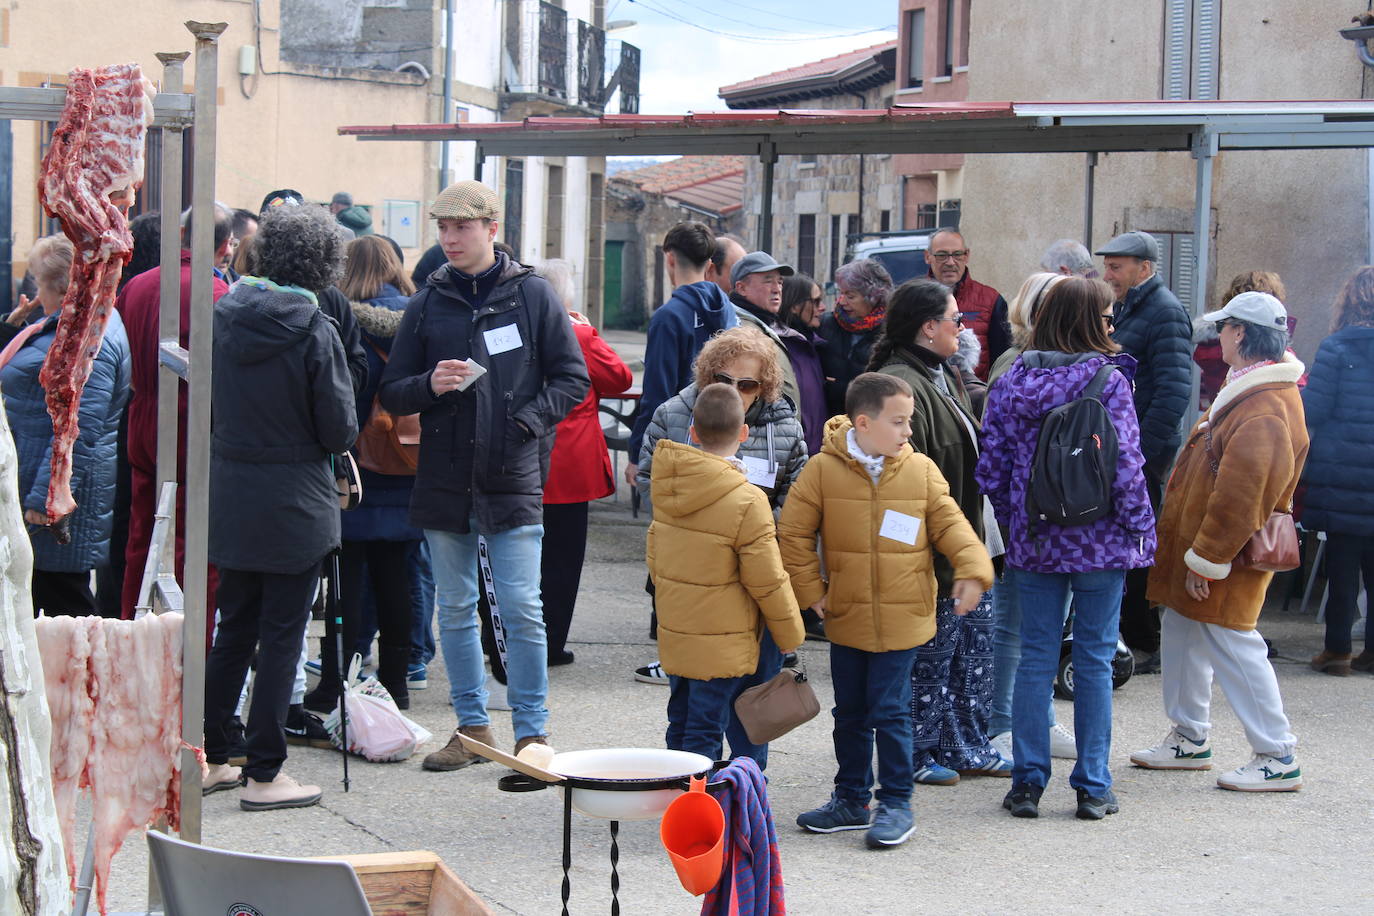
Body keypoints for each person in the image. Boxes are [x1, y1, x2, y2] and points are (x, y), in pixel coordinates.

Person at [378, 180, 589, 771]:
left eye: (462, 228)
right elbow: (391, 392)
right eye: (443, 227)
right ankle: (472, 730)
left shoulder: (533, 296)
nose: (449, 238)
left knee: (521, 605)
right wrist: (428, 386)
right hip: (443, 476)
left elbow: (571, 378)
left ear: (491, 230)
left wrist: (525, 424)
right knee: (454, 607)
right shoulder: (426, 303)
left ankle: (532, 732)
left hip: (510, 472)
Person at [781, 373, 993, 849]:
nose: (908, 432)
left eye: (909, 422)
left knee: (891, 710)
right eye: (898, 422)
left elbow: (952, 524)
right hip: (847, 616)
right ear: (864, 423)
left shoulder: (919, 471)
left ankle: (896, 803)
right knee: (851, 713)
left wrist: (973, 567)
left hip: (905, 617)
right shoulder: (821, 470)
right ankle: (851, 800)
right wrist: (811, 589)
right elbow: (793, 534)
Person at [977, 277, 1156, 820]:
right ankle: (1093, 786)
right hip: (1101, 539)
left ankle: (1027, 783)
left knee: (1035, 657)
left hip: (1035, 538)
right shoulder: (1108, 381)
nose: (1111, 324)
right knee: (1095, 659)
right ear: (1086, 321)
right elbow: (1126, 468)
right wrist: (1141, 528)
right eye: (1105, 315)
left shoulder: (1012, 381)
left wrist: (1015, 526)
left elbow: (993, 467)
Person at [202, 203, 358, 810]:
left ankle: (216, 755)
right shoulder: (314, 327)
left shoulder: (225, 312)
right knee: (282, 637)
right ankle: (266, 771)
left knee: (234, 630)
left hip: (235, 489)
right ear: (323, 263)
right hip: (293, 497)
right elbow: (339, 428)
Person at [1134, 291, 1308, 792]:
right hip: (1209, 548)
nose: (1218, 336)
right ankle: (1189, 738)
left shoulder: (1264, 404)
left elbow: (1242, 496)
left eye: (1225, 328)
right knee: (1186, 632)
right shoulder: (1253, 392)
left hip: (1223, 554)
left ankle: (1277, 753)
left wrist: (1207, 559)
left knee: (1235, 643)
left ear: (1242, 334)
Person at [870, 279, 1010, 783]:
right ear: (929, 327)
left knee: (969, 657)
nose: (964, 327)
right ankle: (916, 753)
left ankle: (964, 748)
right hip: (929, 554)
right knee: (928, 662)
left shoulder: (942, 373)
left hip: (964, 541)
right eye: (956, 319)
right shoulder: (898, 383)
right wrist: (926, 555)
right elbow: (896, 482)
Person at [635, 326, 808, 690]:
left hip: (759, 571)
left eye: (747, 385)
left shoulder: (785, 427)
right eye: (723, 379)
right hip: (697, 578)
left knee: (753, 700)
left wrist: (749, 531)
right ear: (706, 374)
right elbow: (653, 484)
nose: (734, 390)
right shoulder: (673, 415)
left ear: (764, 387)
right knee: (695, 706)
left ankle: (745, 751)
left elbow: (798, 496)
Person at [648, 382, 804, 768]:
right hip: (727, 640)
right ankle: (722, 810)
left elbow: (654, 556)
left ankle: (680, 800)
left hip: (680, 633)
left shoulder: (669, 486)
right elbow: (767, 578)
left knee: (684, 721)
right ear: (744, 433)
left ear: (693, 432)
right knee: (727, 723)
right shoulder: (747, 499)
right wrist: (790, 635)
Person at [303, 235, 421, 714]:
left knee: (345, 583)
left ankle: (339, 681)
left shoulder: (336, 318)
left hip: (352, 469)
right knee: (400, 581)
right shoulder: (419, 319)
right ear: (394, 267)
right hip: (408, 464)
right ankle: (396, 682)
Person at [1, 234, 130, 616]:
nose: (35, 292)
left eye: (38, 282)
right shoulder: (69, 322)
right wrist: (13, 329)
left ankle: (91, 678)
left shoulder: (92, 339)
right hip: (39, 488)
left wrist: (46, 499)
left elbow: (82, 428)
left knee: (65, 607)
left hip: (55, 506)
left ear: (60, 286)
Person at [114, 204, 232, 619]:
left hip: (142, 417)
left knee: (140, 537)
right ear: (224, 247)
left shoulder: (139, 285)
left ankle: (133, 630)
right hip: (191, 425)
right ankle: (191, 649)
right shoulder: (216, 294)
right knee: (193, 541)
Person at [981, 271, 1078, 764]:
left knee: (1046, 627)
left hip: (1056, 521)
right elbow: (999, 451)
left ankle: (1037, 719)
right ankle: (1001, 723)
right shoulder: (1014, 366)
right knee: (1014, 625)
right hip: (1021, 519)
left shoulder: (1064, 363)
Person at [1096, 230, 1192, 672]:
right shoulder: (1129, 307)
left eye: (1117, 266)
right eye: (1108, 265)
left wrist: (1142, 456)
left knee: (1137, 552)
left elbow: (1174, 393)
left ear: (1145, 270)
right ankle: (1130, 635)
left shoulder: (1165, 312)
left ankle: (1143, 641)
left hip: (1141, 456)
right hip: (1122, 452)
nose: (1108, 274)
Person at [535, 257, 632, 666]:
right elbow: (620, 379)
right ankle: (551, 643)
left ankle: (499, 640)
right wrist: (588, 329)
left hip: (524, 457)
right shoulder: (578, 334)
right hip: (570, 460)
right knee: (562, 559)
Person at [624, 221, 738, 490]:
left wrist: (637, 453)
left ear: (670, 258)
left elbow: (657, 394)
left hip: (678, 444)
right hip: (726, 436)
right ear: (710, 263)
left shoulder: (669, 317)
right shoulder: (730, 312)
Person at [1303, 267, 1374, 675]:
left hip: (1343, 471)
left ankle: (1338, 650)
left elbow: (1314, 409)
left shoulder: (1335, 348)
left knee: (1343, 563)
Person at [1193, 272, 1288, 410]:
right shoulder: (1267, 385)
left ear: (1240, 333)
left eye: (1222, 325)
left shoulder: (1262, 394)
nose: (1219, 333)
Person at [923, 227, 1010, 380]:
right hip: (926, 393)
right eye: (942, 255)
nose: (950, 262)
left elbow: (1003, 361)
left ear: (967, 255)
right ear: (927, 256)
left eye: (957, 254)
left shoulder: (991, 300)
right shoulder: (911, 300)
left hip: (976, 398)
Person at [729, 251, 802, 410]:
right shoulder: (741, 331)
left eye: (780, 282)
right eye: (768, 281)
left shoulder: (760, 323)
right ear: (741, 288)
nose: (777, 289)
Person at [820, 258, 892, 416]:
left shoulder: (891, 330)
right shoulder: (826, 323)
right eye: (841, 293)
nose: (842, 301)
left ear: (873, 297)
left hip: (872, 416)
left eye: (850, 296)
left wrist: (839, 386)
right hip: (828, 417)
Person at [779, 273, 829, 456]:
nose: (822, 308)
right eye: (815, 302)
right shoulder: (782, 348)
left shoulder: (814, 346)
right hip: (796, 457)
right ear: (794, 306)